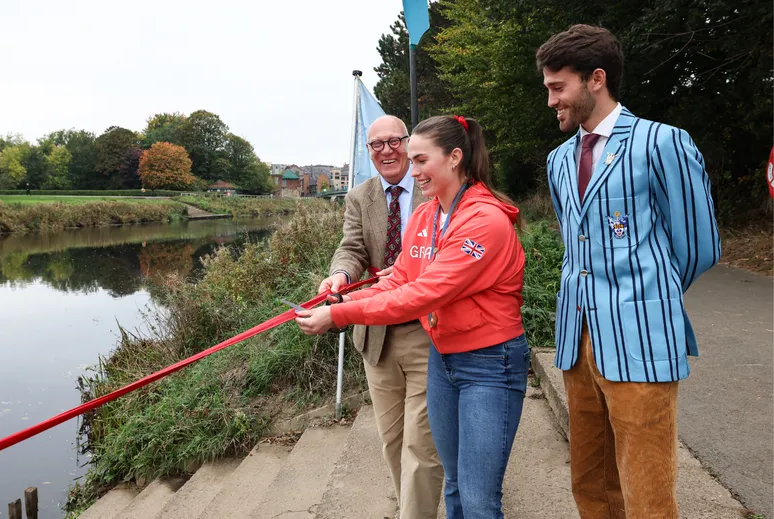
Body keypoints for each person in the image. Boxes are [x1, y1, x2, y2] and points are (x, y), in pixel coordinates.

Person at [299, 115, 528, 519]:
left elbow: (422, 293)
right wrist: (336, 300)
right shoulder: (426, 216)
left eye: (420, 160)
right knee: (455, 484)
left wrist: (340, 315)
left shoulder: (484, 221)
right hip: (445, 356)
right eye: (412, 160)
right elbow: (400, 277)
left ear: (455, 157)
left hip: (488, 363)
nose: (412, 168)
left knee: (477, 498)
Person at [537, 24, 720, 518]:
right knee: (591, 482)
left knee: (646, 489)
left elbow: (699, 245)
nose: (551, 99)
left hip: (641, 338)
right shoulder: (559, 161)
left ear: (596, 79)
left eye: (559, 87)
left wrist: (645, 294)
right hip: (577, 340)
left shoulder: (661, 143)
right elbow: (576, 243)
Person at [317, 114, 442, 519]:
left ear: (408, 143)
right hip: (377, 335)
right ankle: (410, 505)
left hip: (428, 330)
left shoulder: (435, 187)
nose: (386, 150)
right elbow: (352, 249)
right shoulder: (359, 196)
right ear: (368, 151)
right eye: (377, 145)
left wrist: (413, 270)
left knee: (422, 446)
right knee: (392, 440)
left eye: (394, 142)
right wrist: (340, 275)